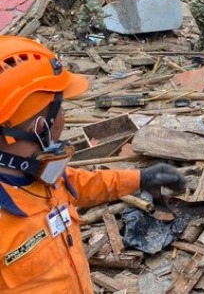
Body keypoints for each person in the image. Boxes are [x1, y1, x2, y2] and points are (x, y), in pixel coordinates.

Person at [0, 36, 185, 293]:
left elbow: (82, 184)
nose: (64, 117)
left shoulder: (41, 175)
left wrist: (141, 178)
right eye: (60, 107)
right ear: (39, 127)